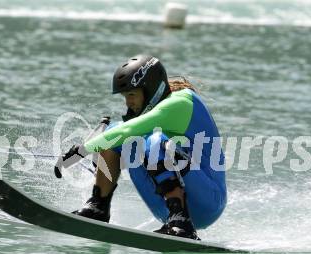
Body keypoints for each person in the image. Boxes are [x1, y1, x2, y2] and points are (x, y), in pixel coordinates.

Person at [54, 54, 227, 240]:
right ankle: (98, 207)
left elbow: (129, 129)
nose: (128, 103)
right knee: (114, 134)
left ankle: (181, 222)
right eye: (125, 96)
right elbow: (120, 133)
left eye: (131, 95)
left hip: (208, 201)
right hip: (164, 208)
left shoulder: (181, 103)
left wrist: (82, 150)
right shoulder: (160, 104)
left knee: (152, 141)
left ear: (151, 89)